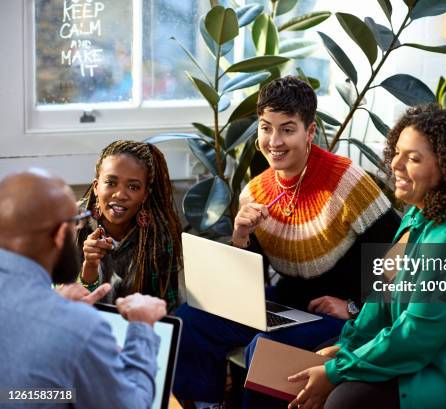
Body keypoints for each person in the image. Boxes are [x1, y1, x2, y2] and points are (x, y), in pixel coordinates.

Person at [287, 105, 446, 409]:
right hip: (438, 350)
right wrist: (348, 347)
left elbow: (418, 334)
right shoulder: (416, 216)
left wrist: (340, 369)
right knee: (316, 358)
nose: (395, 164)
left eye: (413, 158)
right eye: (397, 152)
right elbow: (381, 298)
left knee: (346, 399)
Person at [173, 76, 400, 408]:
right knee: (190, 319)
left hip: (342, 315)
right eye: (266, 128)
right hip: (287, 304)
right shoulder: (255, 190)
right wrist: (241, 237)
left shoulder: (347, 181)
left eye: (287, 129)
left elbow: (400, 255)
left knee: (268, 349)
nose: (274, 141)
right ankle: (206, 405)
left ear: (309, 132)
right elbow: (252, 279)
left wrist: (354, 307)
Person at [0, 170, 168, 409]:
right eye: (76, 222)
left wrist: (52, 303)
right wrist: (142, 327)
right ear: (60, 234)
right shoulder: (80, 328)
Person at [76, 140, 183, 312]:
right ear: (96, 187)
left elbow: (165, 309)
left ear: (145, 195)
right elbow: (60, 304)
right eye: (111, 183)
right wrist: (89, 267)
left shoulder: (159, 235)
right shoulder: (72, 223)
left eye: (133, 187)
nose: (120, 194)